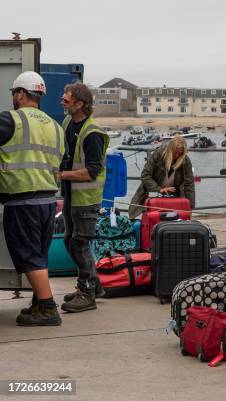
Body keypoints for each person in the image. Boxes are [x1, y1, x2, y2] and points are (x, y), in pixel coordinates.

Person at [0, 71, 65, 325]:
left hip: (23, 199)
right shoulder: (55, 127)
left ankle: (48, 308)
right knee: (38, 255)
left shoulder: (11, 120)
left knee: (28, 255)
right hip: (48, 201)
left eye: (14, 93)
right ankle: (39, 302)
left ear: (20, 93)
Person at [59, 83, 110, 313]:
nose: (62, 102)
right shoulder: (68, 122)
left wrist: (61, 174)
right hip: (71, 195)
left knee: (79, 243)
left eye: (67, 100)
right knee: (69, 241)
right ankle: (93, 284)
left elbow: (91, 171)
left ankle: (87, 292)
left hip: (87, 199)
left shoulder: (93, 133)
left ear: (80, 104)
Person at [128, 135, 195, 219]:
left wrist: (190, 206)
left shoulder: (186, 161)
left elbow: (189, 184)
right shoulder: (158, 155)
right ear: (170, 149)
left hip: (175, 195)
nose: (177, 156)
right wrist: (159, 189)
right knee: (149, 218)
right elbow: (145, 175)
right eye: (175, 152)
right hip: (152, 192)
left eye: (180, 153)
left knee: (175, 220)